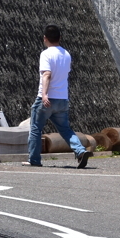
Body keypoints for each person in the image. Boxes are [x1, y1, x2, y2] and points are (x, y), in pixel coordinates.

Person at [24, 25, 93, 169]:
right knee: (65, 129)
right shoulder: (67, 54)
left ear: (45, 38)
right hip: (62, 99)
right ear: (60, 38)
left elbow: (47, 75)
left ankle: (34, 160)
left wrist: (44, 95)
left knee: (36, 129)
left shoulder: (46, 54)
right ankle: (80, 151)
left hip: (47, 99)